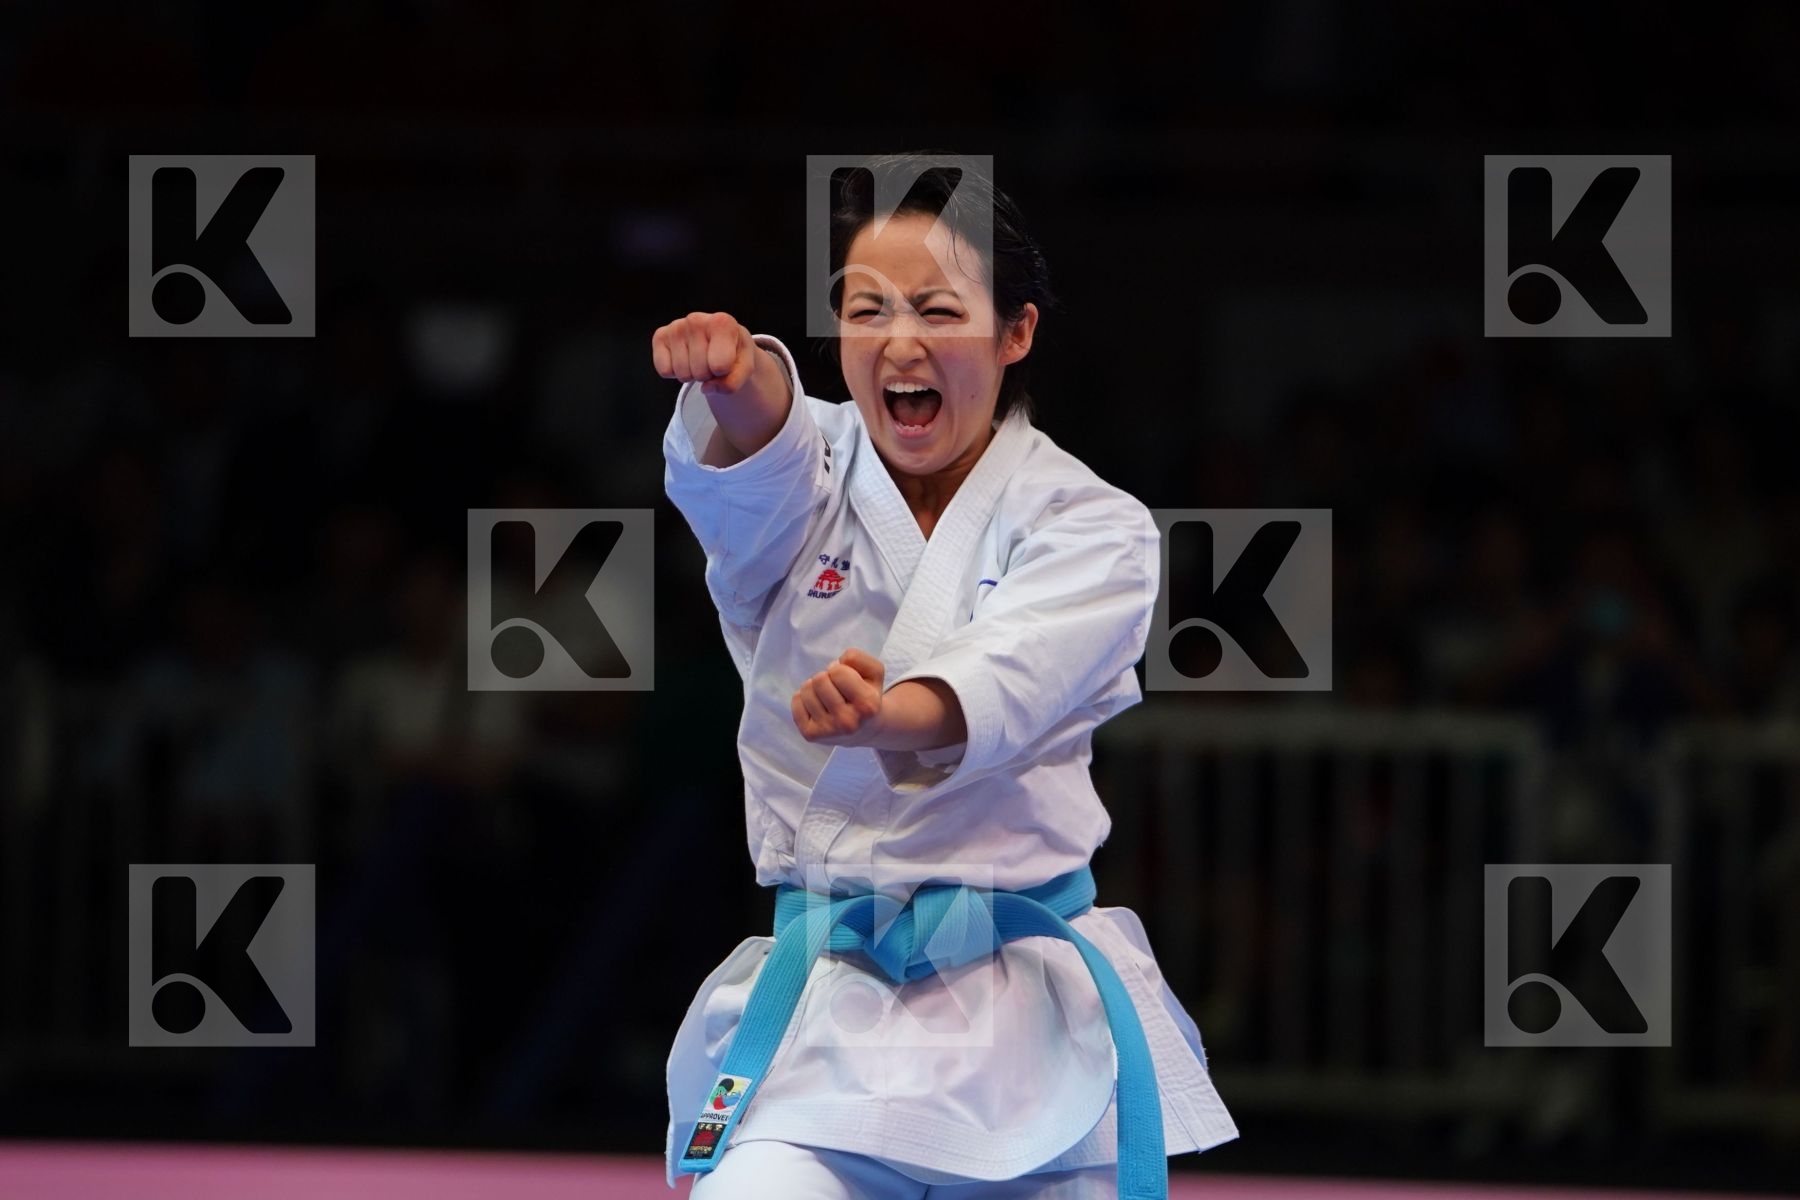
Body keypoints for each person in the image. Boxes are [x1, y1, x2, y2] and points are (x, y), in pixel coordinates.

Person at [651, 154, 1237, 1199]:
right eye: (866, 309)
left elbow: (1014, 675)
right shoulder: (814, 477)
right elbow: (767, 445)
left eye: (936, 309)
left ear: (1016, 332)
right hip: (833, 1011)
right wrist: (739, 379)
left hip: (1030, 1020)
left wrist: (890, 715)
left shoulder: (1092, 524)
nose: (900, 341)